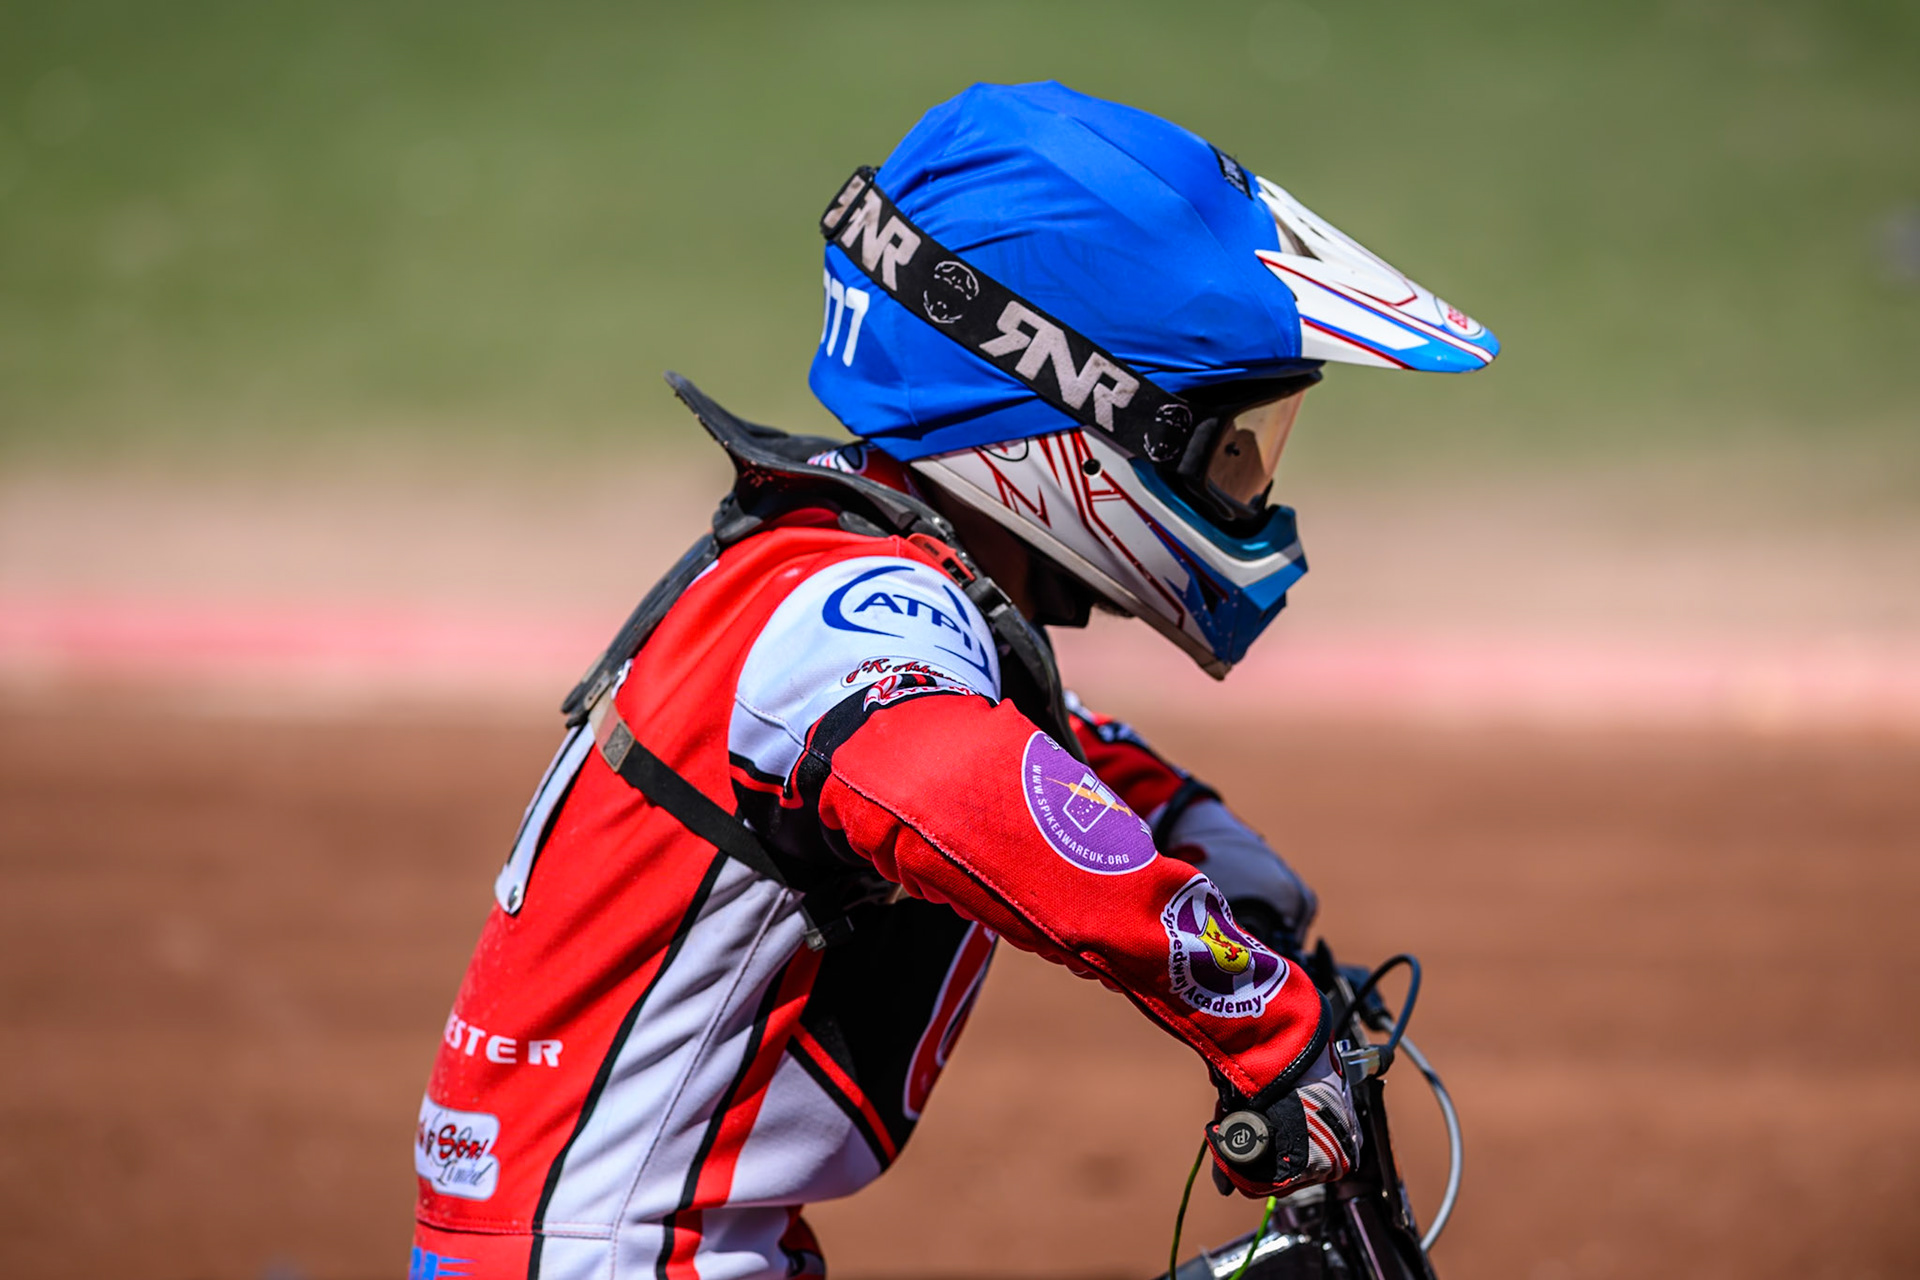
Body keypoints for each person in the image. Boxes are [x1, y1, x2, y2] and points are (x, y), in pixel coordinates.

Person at [409, 81, 1496, 1280]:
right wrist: (1264, 1023)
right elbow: (969, 787)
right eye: (1227, 445)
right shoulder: (838, 607)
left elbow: (1027, 742)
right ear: (1072, 409)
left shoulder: (844, 585)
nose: (1252, 489)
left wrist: (1198, 835)